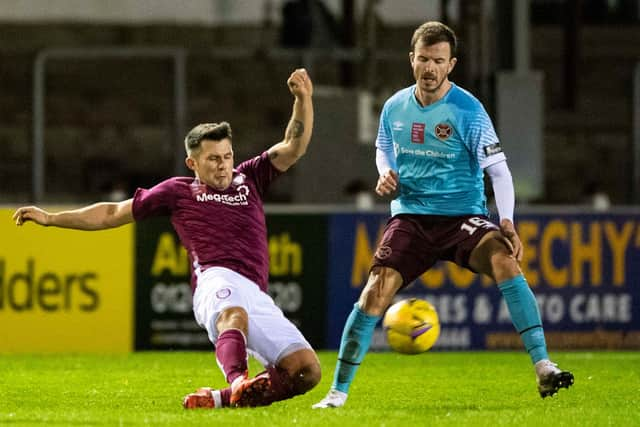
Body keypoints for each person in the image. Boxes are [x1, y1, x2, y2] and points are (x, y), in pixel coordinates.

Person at [13, 68, 321, 409]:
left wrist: (302, 99)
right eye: (214, 159)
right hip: (215, 278)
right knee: (234, 314)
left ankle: (216, 401)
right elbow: (113, 213)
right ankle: (236, 381)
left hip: (256, 290)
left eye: (228, 156)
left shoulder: (249, 178)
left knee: (305, 371)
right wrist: (53, 218)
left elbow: (293, 146)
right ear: (193, 162)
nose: (223, 166)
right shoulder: (178, 191)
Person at [313, 22, 574, 409]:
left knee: (504, 260)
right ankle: (337, 393)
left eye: (438, 61)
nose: (429, 68)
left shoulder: (468, 111)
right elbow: (383, 148)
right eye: (423, 59)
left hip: (462, 217)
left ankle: (543, 367)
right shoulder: (394, 106)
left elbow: (498, 171)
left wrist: (506, 221)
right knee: (374, 292)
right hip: (412, 217)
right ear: (411, 59)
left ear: (451, 64)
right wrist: (386, 173)